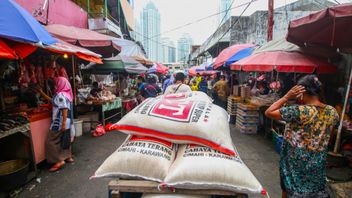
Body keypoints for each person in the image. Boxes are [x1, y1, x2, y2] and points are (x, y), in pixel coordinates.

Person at [265, 75, 339, 198]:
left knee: (289, 190)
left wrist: (286, 96)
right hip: (317, 161)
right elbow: (328, 137)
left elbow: (269, 112)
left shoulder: (299, 111)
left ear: (301, 91)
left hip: (294, 162)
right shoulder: (332, 112)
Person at [38, 77, 74, 172]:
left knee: (50, 141)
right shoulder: (67, 94)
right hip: (67, 122)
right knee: (64, 139)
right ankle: (68, 157)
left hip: (59, 123)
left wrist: (62, 124)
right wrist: (42, 93)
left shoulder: (60, 95)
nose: (55, 85)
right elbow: (53, 101)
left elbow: (64, 109)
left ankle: (58, 161)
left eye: (57, 83)